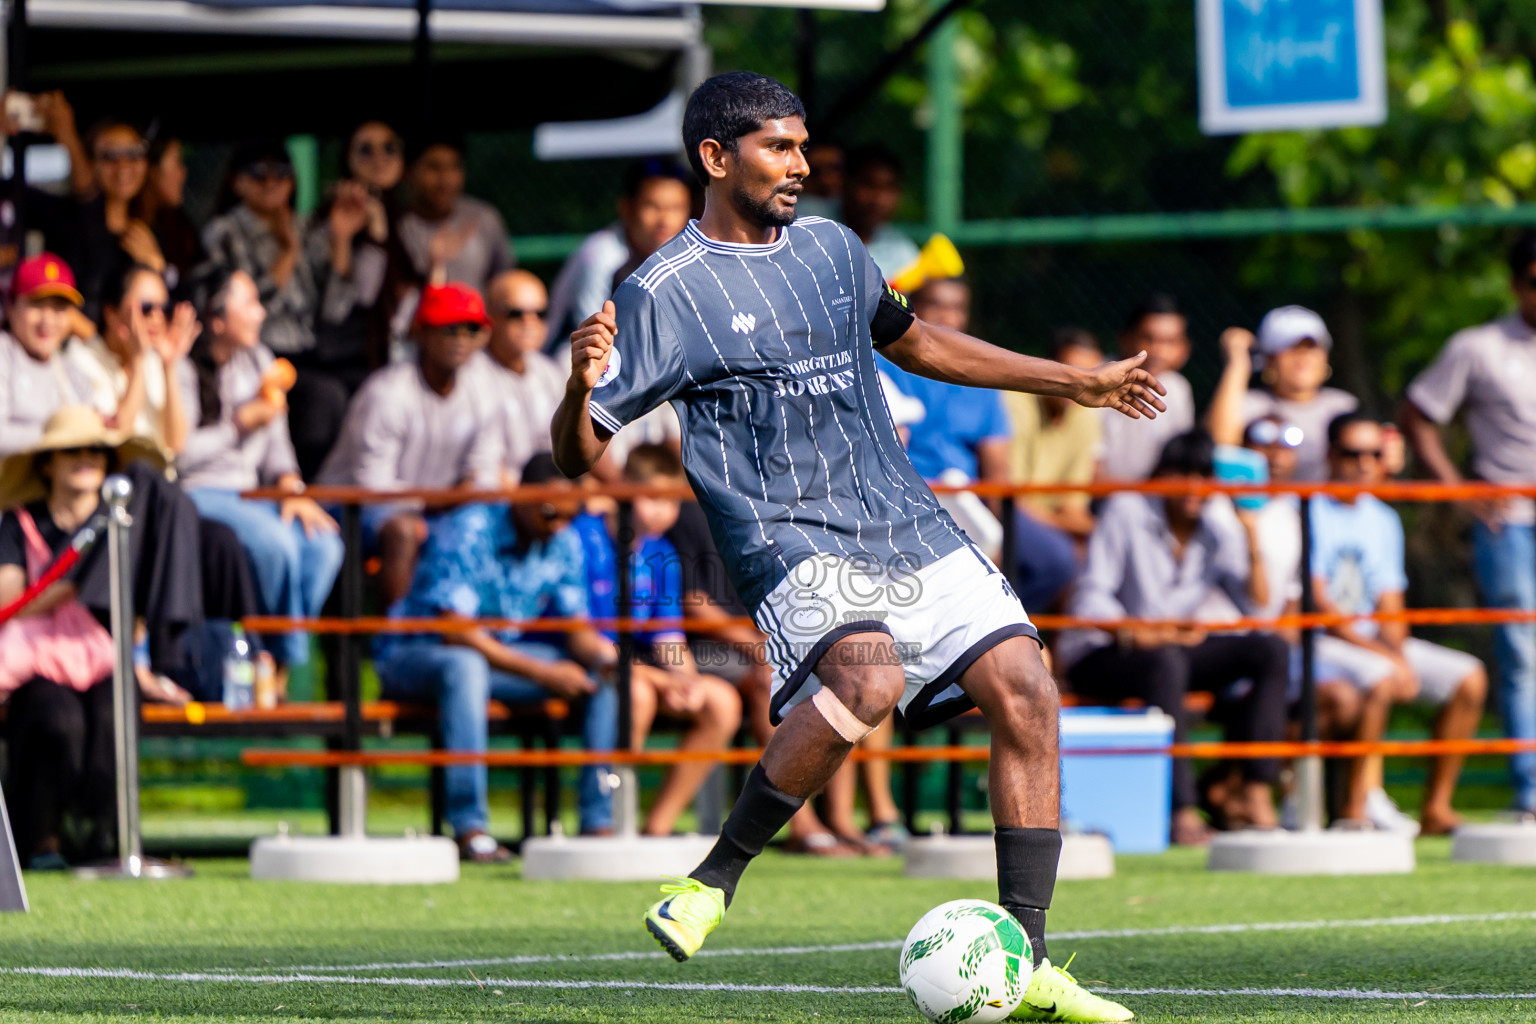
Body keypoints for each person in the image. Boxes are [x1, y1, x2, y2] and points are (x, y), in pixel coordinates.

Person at [551, 71, 1165, 1022]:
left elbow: (916, 343)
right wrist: (575, 385)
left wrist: (1071, 382)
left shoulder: (836, 250)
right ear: (716, 158)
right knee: (868, 679)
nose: (801, 165)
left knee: (1028, 691)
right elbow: (577, 452)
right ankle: (712, 882)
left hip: (903, 517)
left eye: (802, 146)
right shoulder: (662, 292)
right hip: (784, 533)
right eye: (778, 148)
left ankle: (1025, 960)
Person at [372, 455, 618, 862]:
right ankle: (471, 828)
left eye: (568, 517)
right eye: (550, 513)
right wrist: (543, 670)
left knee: (601, 678)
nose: (558, 524)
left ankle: (596, 824)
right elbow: (455, 630)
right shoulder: (472, 527)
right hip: (414, 652)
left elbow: (576, 626)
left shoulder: (564, 539)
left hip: (496, 658)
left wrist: (606, 657)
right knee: (466, 668)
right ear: (520, 496)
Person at [1059, 430, 1287, 843]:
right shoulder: (1127, 509)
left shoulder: (1217, 530)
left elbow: (1258, 606)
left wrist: (1250, 527)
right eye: (1184, 476)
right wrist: (1138, 633)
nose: (1195, 489)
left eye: (1205, 477)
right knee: (1167, 661)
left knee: (1269, 649)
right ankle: (1182, 810)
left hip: (1169, 653)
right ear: (1162, 476)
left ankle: (1256, 789)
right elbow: (1091, 597)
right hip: (1104, 652)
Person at [0, 405, 184, 868]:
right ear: (47, 464)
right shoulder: (19, 523)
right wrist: (77, 580)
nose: (86, 460)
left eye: (96, 453)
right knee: (55, 719)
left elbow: (135, 609)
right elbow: (10, 601)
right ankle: (41, 840)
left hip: (102, 658)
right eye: (72, 452)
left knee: (112, 716)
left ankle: (106, 838)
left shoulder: (123, 526)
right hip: (35, 660)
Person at [1402, 229, 1536, 823]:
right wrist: (1457, 490)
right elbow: (1420, 414)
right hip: (1510, 521)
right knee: (1523, 652)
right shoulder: (1479, 347)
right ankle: (1531, 791)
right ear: (1516, 285)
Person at [1312, 413, 1488, 834]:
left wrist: (1395, 651)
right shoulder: (1310, 508)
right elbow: (1323, 609)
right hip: (1323, 641)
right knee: (1380, 675)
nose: (1365, 464)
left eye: (1375, 453)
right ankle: (1358, 808)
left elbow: (1391, 606)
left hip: (1372, 642)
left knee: (1470, 677)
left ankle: (1436, 808)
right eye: (1354, 453)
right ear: (1331, 454)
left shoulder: (1383, 519)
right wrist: (1386, 658)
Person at [666, 497, 856, 856]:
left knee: (847, 684)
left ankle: (842, 820)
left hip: (769, 643)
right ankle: (801, 823)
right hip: (707, 647)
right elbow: (694, 603)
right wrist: (760, 645)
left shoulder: (778, 509)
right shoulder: (692, 510)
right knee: (768, 683)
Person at [176, 267, 343, 673]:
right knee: (276, 545)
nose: (260, 314)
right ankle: (276, 658)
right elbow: (177, 458)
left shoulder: (260, 360)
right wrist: (239, 424)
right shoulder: (180, 368)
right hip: (198, 491)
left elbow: (278, 445)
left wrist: (291, 487)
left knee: (324, 545)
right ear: (217, 320)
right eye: (249, 303)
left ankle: (277, 662)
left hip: (253, 493)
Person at [572, 445, 742, 837]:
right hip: (584, 659)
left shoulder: (661, 552)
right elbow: (584, 636)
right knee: (639, 694)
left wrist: (686, 679)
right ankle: (608, 822)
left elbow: (667, 634)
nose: (664, 511)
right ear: (625, 490)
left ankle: (657, 827)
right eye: (654, 499)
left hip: (636, 664)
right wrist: (662, 679)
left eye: (671, 501)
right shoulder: (583, 537)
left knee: (720, 701)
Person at [318, 281, 503, 606]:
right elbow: (372, 488)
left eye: (471, 329)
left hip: (433, 507)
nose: (461, 339)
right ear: (422, 332)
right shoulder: (387, 392)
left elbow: (484, 474)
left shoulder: (484, 390)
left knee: (484, 521)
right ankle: (396, 645)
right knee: (405, 530)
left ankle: (467, 633)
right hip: (347, 509)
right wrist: (445, 500)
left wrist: (454, 500)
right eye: (448, 329)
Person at [293, 120, 407, 478]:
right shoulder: (322, 222)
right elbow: (344, 305)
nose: (379, 158)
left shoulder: (412, 220)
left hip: (399, 353)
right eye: (365, 149)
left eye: (389, 147)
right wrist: (349, 238)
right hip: (336, 358)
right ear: (347, 159)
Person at [546, 159, 696, 350]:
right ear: (626, 208)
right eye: (653, 206)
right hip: (570, 358)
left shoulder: (686, 255)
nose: (664, 220)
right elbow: (588, 334)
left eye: (676, 207)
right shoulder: (601, 255)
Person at [1002, 327, 1105, 597]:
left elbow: (1073, 505)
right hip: (1004, 510)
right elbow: (1010, 498)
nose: (1081, 383)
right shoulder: (1014, 402)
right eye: (1072, 372)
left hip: (1038, 517)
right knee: (1060, 559)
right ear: (1049, 368)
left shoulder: (1086, 416)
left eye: (1090, 375)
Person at [1207, 305, 1359, 481]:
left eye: (1312, 347)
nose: (1303, 357)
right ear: (1268, 358)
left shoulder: (1344, 407)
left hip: (1329, 507)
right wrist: (1238, 365)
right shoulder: (1250, 404)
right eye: (1292, 348)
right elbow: (1219, 447)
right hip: (1262, 506)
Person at [202, 141, 319, 358]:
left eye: (281, 173)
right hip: (256, 349)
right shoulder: (224, 232)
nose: (271, 183)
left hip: (312, 344)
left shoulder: (305, 226)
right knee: (326, 392)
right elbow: (244, 309)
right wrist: (288, 252)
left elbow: (334, 308)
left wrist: (341, 237)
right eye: (259, 174)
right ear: (236, 182)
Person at [66, 263, 197, 454]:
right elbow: (114, 439)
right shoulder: (80, 359)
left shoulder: (158, 359)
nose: (157, 317)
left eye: (165, 308)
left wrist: (168, 366)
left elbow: (176, 444)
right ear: (111, 314)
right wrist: (138, 363)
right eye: (146, 308)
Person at [478, 270, 567, 483]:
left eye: (540, 313)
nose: (530, 322)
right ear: (491, 316)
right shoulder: (471, 376)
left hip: (549, 494)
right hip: (494, 500)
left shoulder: (550, 372)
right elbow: (482, 466)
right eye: (516, 313)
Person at [1096, 293, 1196, 481]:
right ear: (1125, 339)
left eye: (1169, 342)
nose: (1158, 351)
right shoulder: (1097, 378)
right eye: (1148, 339)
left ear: (1185, 349)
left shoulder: (1179, 388)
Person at [0, 254, 94, 455]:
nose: (48, 320)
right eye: (37, 304)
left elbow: (92, 428)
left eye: (59, 308)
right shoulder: (5, 354)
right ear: (11, 306)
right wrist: (59, 435)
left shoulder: (71, 368)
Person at [396, 135, 513, 291]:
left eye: (454, 167)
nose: (446, 179)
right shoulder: (395, 225)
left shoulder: (483, 218)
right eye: (434, 167)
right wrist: (433, 266)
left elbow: (505, 281)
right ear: (407, 172)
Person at [840, 143, 919, 277]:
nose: (878, 199)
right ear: (845, 184)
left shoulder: (904, 253)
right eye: (868, 185)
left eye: (889, 188)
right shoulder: (809, 225)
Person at [139, 134, 205, 294]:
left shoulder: (179, 224)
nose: (183, 173)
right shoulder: (135, 229)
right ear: (151, 170)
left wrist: (160, 267)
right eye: (177, 162)